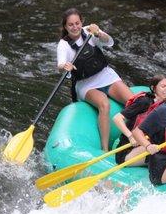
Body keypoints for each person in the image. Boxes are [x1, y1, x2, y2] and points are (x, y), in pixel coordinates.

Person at [56, 8, 133, 151]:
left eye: (77, 23)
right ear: (65, 27)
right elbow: (60, 64)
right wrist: (64, 66)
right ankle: (105, 149)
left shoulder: (90, 31)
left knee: (134, 101)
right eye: (70, 25)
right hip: (86, 84)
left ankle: (137, 135)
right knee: (104, 104)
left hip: (105, 75)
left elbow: (109, 42)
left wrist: (98, 33)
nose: (75, 27)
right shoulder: (64, 44)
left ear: (81, 22)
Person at [112, 74, 166, 165]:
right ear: (153, 88)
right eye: (163, 86)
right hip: (128, 151)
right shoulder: (144, 101)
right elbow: (117, 118)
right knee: (160, 148)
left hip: (145, 145)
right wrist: (131, 137)